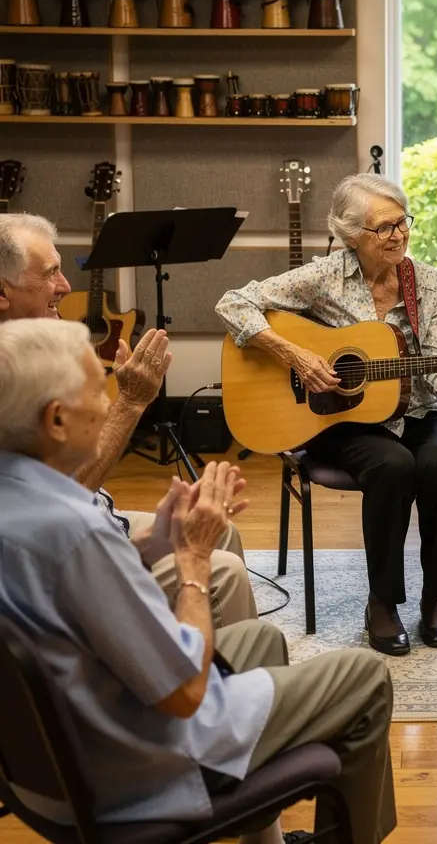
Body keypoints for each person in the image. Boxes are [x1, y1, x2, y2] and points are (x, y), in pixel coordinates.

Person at [0, 319, 396, 844]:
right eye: (98, 388)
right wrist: (192, 561)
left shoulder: (20, 503)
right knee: (365, 678)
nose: (109, 401)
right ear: (55, 420)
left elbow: (66, 593)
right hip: (138, 769)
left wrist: (154, 544)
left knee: (260, 639)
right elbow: (184, 692)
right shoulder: (76, 530)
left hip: (52, 769)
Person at [216, 172, 437, 655]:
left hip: (419, 408)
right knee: (392, 466)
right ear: (352, 237)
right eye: (384, 228)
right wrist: (296, 356)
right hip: (342, 416)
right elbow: (234, 303)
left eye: (403, 222)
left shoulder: (428, 284)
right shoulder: (325, 275)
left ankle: (434, 597)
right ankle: (383, 603)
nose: (399, 235)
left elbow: (435, 377)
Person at [0, 212, 257, 627]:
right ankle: (202, 683)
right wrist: (131, 403)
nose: (65, 287)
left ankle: (225, 658)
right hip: (57, 564)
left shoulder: (29, 347)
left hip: (94, 520)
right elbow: (59, 497)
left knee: (222, 532)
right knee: (224, 570)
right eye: (50, 274)